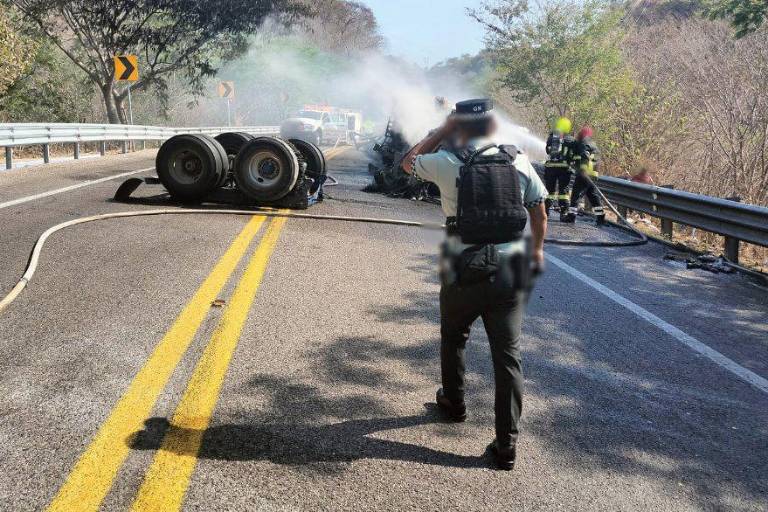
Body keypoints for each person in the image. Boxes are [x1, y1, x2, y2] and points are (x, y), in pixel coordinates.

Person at [401, 99, 548, 471]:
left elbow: (408, 162)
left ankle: (454, 403)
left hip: (461, 266)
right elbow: (539, 211)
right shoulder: (517, 160)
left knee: (453, 335)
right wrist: (536, 252)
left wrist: (442, 131)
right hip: (510, 269)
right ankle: (506, 446)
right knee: (508, 356)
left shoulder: (446, 161)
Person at [563, 125, 605, 225]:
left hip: (585, 174)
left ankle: (571, 216)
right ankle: (601, 217)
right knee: (593, 197)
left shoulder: (584, 142)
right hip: (592, 175)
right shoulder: (592, 143)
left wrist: (583, 169)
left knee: (575, 195)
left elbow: (585, 156)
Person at [544, 117, 576, 221]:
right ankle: (564, 213)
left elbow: (547, 151)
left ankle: (545, 212)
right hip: (564, 169)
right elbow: (574, 155)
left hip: (551, 168)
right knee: (563, 192)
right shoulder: (571, 140)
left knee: (549, 191)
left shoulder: (551, 138)